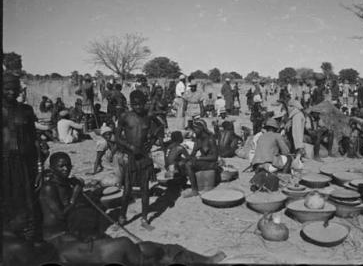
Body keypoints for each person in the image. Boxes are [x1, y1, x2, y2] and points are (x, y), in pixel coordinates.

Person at [39, 151, 226, 265]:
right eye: (61, 166)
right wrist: (75, 194)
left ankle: (201, 259)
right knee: (134, 250)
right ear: (52, 167)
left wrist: (84, 192)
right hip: (67, 240)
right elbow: (61, 216)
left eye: (68, 165)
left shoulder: (67, 184)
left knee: (148, 248)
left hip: (82, 233)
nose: (66, 169)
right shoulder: (49, 188)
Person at [3, 72, 44, 245]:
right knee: (6, 199)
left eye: (14, 88)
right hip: (4, 163)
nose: (11, 92)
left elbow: (34, 139)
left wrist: (40, 166)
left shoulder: (26, 110)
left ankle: (30, 239)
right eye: (7, 88)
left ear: (19, 89)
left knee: (28, 199)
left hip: (25, 163)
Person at [115, 90, 162, 230]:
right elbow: (117, 137)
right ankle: (122, 217)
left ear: (144, 103)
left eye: (140, 104)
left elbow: (160, 127)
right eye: (134, 104)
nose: (138, 107)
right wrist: (129, 146)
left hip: (144, 157)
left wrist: (152, 140)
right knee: (127, 189)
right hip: (131, 157)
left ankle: (144, 218)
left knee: (145, 189)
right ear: (130, 104)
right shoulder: (125, 116)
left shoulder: (148, 117)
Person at [179, 120, 220, 198]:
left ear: (201, 128)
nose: (194, 131)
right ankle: (185, 184)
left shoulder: (210, 139)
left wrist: (198, 158)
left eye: (195, 129)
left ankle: (194, 190)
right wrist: (185, 158)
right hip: (203, 161)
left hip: (211, 163)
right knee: (182, 163)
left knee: (189, 165)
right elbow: (193, 153)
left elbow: (215, 157)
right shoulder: (198, 139)